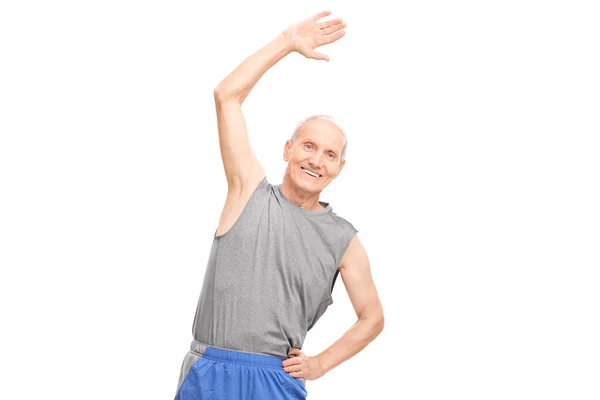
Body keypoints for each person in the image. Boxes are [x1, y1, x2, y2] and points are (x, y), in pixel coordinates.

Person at [174, 10, 384, 400]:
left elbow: (372, 317)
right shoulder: (247, 192)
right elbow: (226, 96)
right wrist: (286, 43)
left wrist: (320, 363)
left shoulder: (344, 239)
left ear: (339, 168)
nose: (316, 160)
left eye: (329, 154)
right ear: (288, 150)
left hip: (275, 378)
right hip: (212, 371)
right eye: (308, 146)